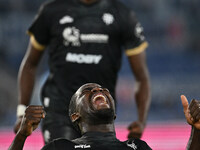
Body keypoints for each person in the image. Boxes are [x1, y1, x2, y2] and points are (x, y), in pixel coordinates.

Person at [14, 0, 151, 143]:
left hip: (99, 113)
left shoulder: (123, 15)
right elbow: (30, 63)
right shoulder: (51, 11)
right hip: (59, 109)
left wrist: (141, 121)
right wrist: (20, 112)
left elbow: (141, 76)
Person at [9, 83, 200, 150]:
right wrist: (21, 136)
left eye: (103, 89)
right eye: (88, 91)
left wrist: (197, 130)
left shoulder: (136, 147)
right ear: (75, 116)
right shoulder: (60, 147)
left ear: (115, 113)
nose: (99, 90)